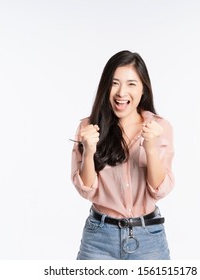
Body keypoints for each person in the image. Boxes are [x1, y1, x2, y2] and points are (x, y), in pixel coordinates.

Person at [70, 50, 174, 260]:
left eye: (131, 84)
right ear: (105, 86)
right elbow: (87, 191)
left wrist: (151, 147)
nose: (121, 92)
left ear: (143, 89)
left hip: (148, 238)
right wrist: (89, 151)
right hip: (99, 239)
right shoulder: (88, 127)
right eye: (115, 83)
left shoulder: (159, 127)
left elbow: (158, 191)